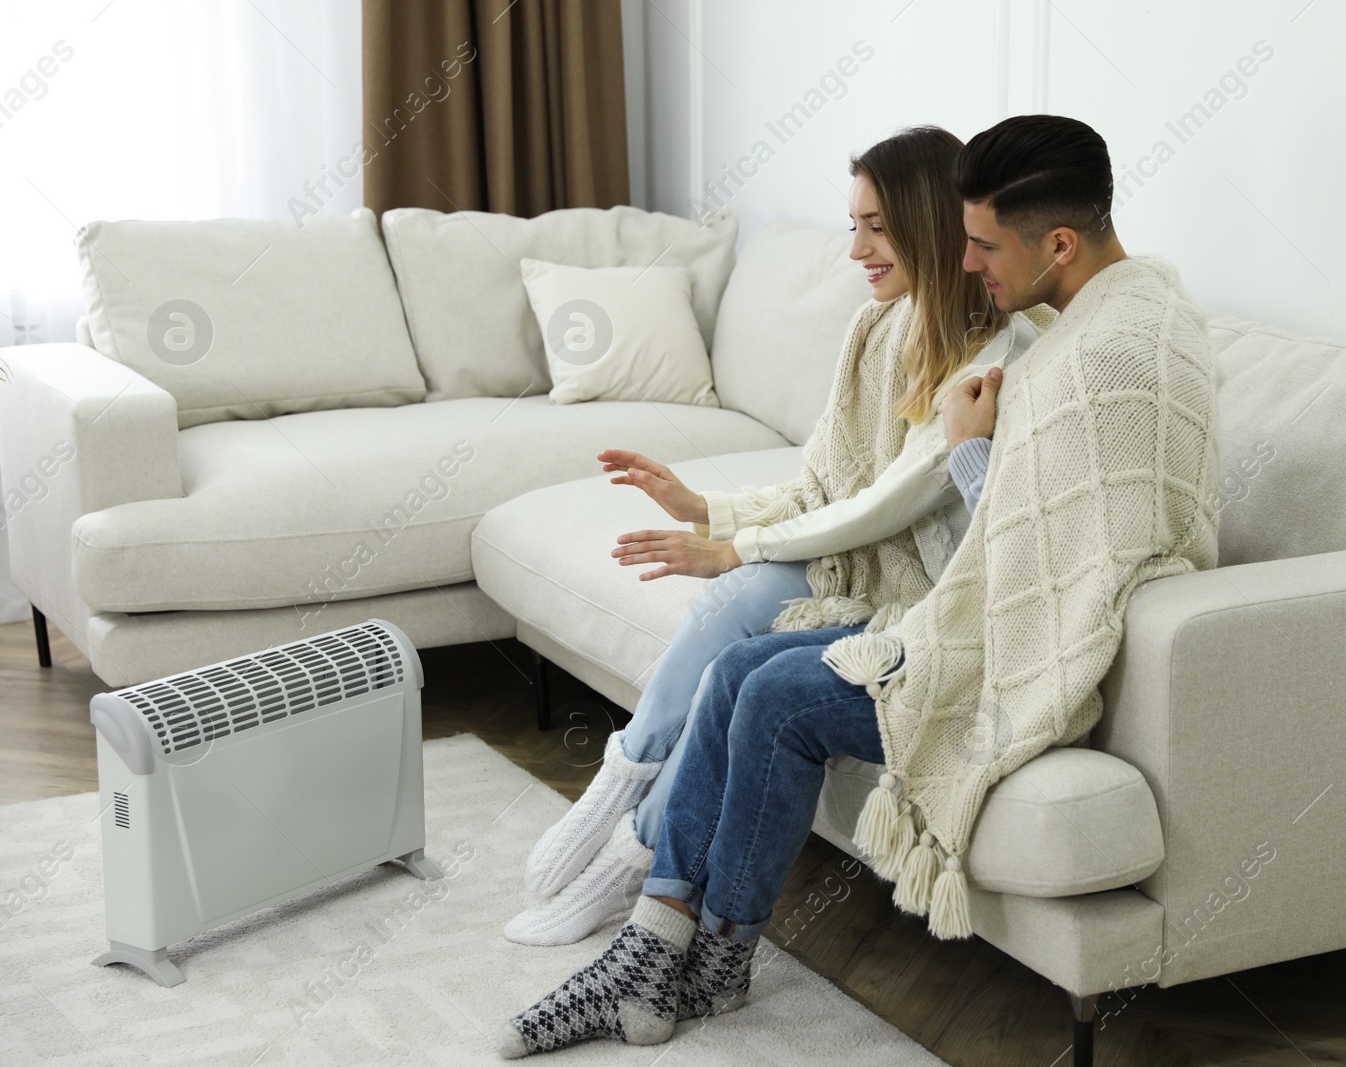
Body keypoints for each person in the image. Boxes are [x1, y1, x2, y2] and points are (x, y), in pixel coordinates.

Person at [497, 113, 1222, 1059]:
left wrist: (966, 454)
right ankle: (657, 941)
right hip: (967, 615)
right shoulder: (1115, 317)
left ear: (1057, 242)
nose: (966, 264)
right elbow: (1025, 527)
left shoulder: (1095, 360)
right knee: (739, 671)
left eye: (983, 244)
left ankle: (705, 962)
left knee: (779, 694)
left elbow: (1042, 560)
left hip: (1014, 657)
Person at [505, 126, 1048, 948]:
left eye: (875, 226)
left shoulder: (996, 353)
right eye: (854, 224)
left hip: (919, 598)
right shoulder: (876, 330)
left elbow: (890, 504)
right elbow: (823, 481)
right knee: (736, 599)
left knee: (742, 596)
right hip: (858, 568)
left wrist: (736, 545)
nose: (856, 249)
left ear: (930, 222)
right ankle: (615, 802)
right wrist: (706, 509)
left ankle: (625, 854)